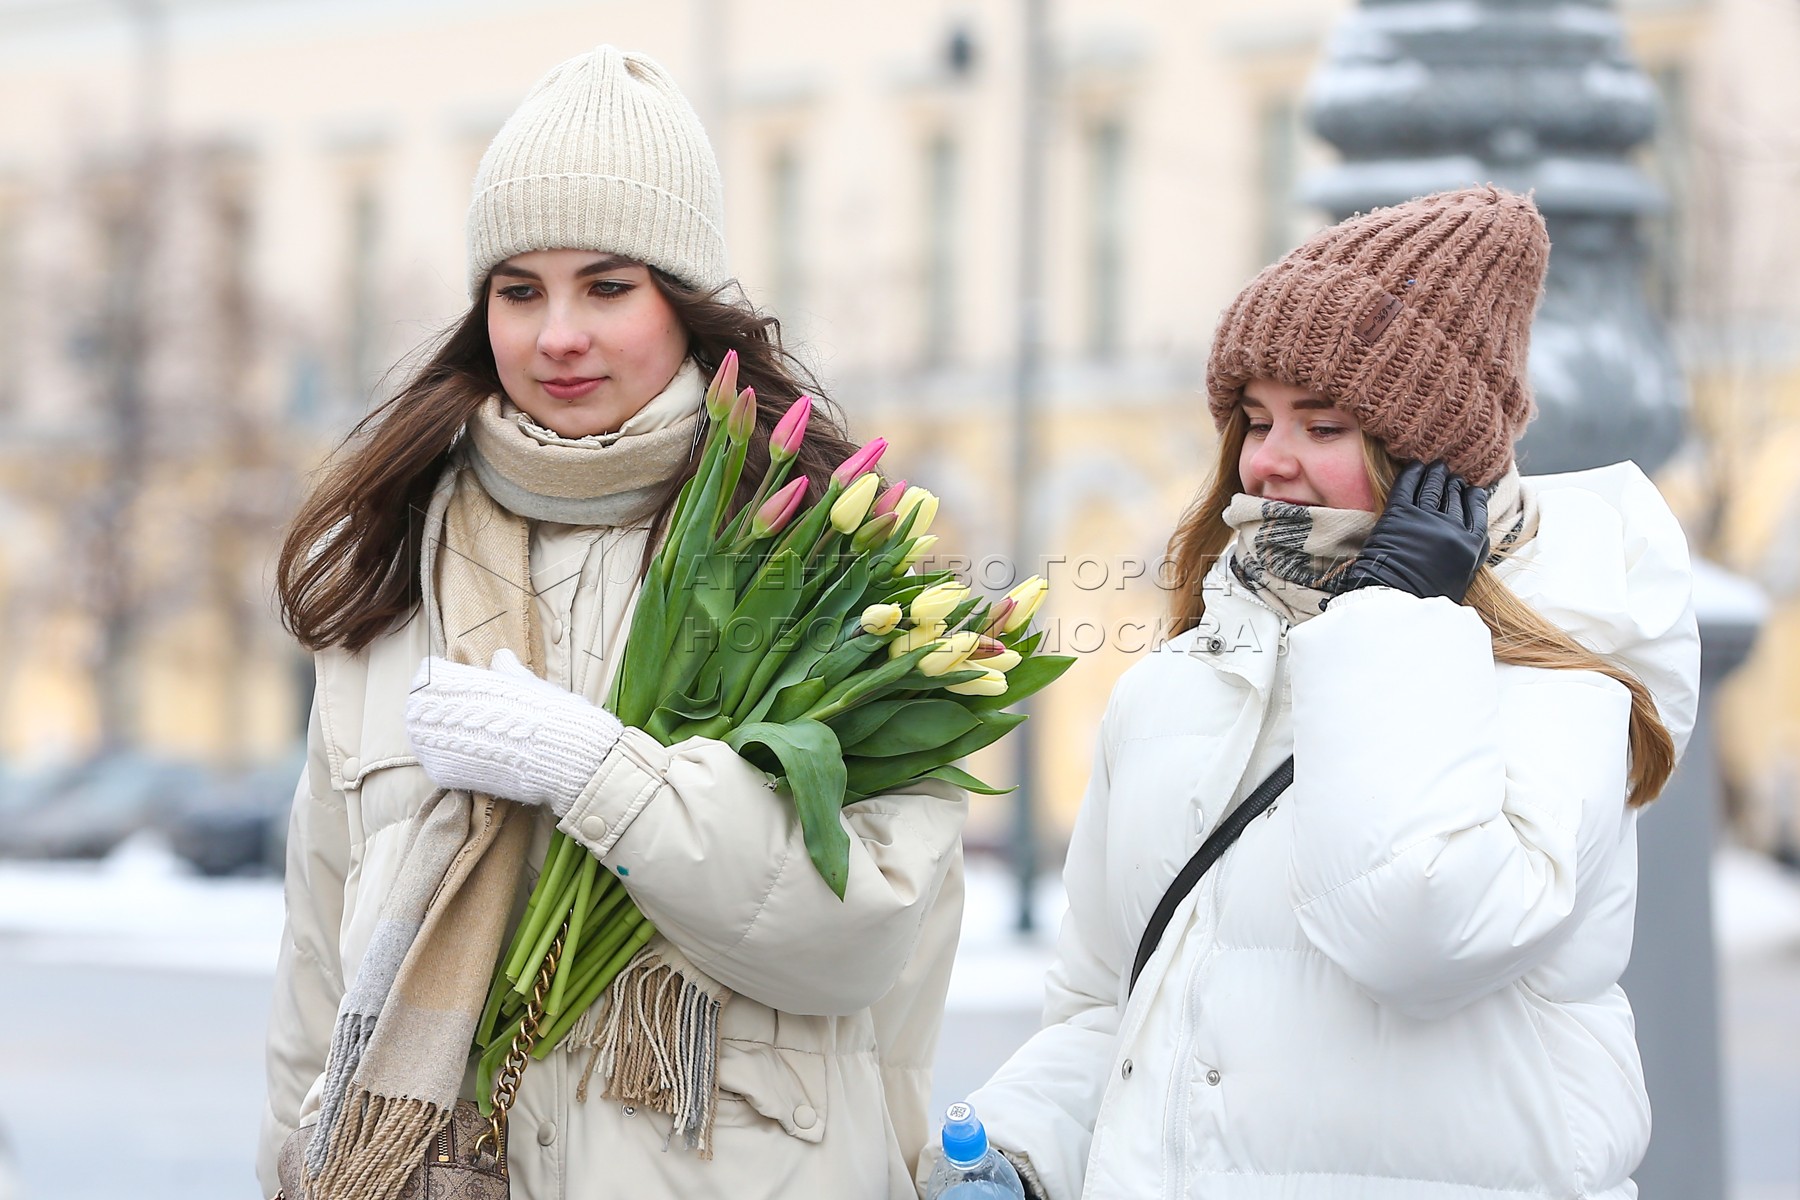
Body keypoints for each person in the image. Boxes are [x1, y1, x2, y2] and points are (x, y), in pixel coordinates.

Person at [257, 45, 966, 1200]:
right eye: (518, 291)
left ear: (686, 305)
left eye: (607, 286)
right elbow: (315, 967)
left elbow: (863, 936)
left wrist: (600, 772)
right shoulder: (397, 573)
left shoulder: (826, 571)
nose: (557, 336)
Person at [945, 187, 1701, 1199]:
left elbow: (1422, 930)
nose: (1271, 461)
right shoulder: (1177, 686)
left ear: (1437, 464)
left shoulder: (1559, 680)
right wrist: (1017, 1151)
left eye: (1326, 423)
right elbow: (1112, 1008)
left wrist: (1389, 617)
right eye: (1256, 419)